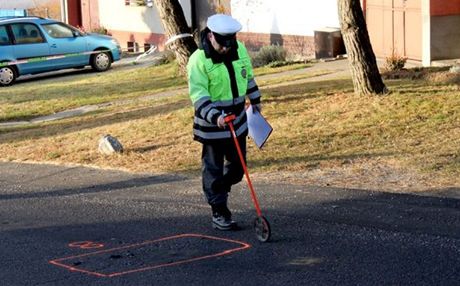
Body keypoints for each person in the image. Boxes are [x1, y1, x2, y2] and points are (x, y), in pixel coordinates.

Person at [186, 14, 262, 230]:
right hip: (213, 125)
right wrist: (216, 116)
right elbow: (199, 96)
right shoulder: (198, 60)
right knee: (213, 167)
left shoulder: (239, 49)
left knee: (238, 169)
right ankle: (219, 211)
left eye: (231, 42)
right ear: (211, 36)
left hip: (237, 120)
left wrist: (255, 99)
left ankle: (217, 187)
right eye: (222, 43)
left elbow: (247, 76)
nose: (227, 48)